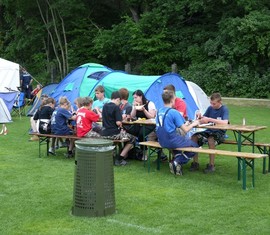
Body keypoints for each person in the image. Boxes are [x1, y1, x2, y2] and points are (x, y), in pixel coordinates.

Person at [156, 91, 200, 175]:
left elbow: (167, 125)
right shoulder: (173, 112)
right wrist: (194, 123)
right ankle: (177, 162)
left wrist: (184, 124)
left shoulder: (159, 111)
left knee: (177, 148)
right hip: (171, 139)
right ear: (172, 100)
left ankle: (176, 166)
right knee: (195, 146)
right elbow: (186, 130)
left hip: (161, 140)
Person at [190, 92, 229, 173]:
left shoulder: (224, 109)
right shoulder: (210, 108)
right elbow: (204, 119)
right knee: (194, 137)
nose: (212, 105)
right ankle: (195, 163)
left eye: (214, 104)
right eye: (211, 103)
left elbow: (225, 122)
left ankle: (211, 165)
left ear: (220, 102)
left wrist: (210, 119)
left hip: (219, 133)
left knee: (211, 139)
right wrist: (200, 117)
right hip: (208, 131)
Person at [101, 91, 135, 166]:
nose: (119, 103)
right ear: (118, 99)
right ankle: (120, 158)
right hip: (114, 133)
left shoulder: (105, 106)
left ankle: (114, 156)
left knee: (120, 139)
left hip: (104, 132)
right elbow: (118, 123)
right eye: (119, 101)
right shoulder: (116, 107)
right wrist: (122, 118)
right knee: (132, 138)